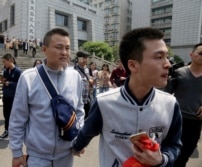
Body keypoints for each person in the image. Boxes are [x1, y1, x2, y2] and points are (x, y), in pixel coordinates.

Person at [72, 27, 182, 167]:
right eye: (159, 57)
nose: (168, 64)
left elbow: (174, 145)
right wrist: (75, 147)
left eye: (166, 57)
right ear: (133, 65)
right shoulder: (105, 103)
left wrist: (161, 160)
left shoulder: (170, 104)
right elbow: (86, 134)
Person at [8, 28, 85, 167]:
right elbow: (17, 118)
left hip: (66, 155)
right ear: (44, 49)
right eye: (59, 47)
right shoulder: (28, 78)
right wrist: (17, 152)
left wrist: (79, 140)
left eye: (67, 48)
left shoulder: (75, 77)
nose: (64, 52)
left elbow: (79, 111)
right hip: (38, 157)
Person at [164, 43, 202, 167]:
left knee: (184, 156)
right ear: (191, 55)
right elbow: (166, 93)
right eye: (200, 53)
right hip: (175, 120)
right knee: (169, 153)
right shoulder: (179, 72)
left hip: (195, 122)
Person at [0, 54, 22, 140]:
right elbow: (5, 81)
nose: (4, 64)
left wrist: (10, 84)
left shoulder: (18, 71)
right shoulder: (5, 70)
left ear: (11, 60)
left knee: (13, 115)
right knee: (6, 114)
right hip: (6, 96)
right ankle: (7, 130)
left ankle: (11, 131)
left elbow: (21, 84)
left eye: (4, 61)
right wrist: (3, 81)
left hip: (14, 97)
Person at [74, 51, 93, 118]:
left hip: (87, 98)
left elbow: (88, 80)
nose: (87, 59)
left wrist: (91, 82)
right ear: (80, 59)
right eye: (85, 58)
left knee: (88, 117)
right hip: (79, 100)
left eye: (87, 58)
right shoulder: (74, 70)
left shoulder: (87, 69)